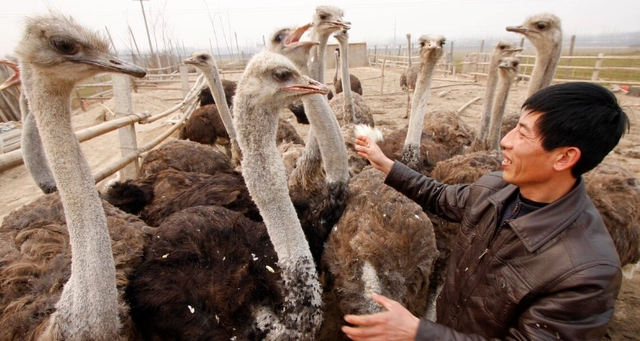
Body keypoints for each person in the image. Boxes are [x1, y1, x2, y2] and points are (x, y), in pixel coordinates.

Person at [342, 82, 630, 341]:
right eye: (515, 126)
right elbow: (440, 196)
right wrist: (385, 163)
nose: (506, 140)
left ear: (565, 157)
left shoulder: (586, 274)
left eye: (523, 134)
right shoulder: (495, 189)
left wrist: (420, 332)